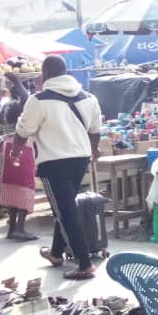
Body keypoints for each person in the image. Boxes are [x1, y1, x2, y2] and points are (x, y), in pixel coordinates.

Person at [14, 55, 103, 280]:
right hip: (80, 159)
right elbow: (95, 130)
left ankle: (84, 264)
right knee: (64, 208)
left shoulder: (38, 100)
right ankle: (55, 254)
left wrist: (15, 150)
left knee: (65, 212)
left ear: (46, 74)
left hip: (54, 162)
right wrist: (94, 151)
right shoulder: (89, 97)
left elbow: (24, 130)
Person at [0, 98, 37, 241]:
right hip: (20, 147)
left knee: (11, 187)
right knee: (25, 187)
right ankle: (20, 229)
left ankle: (11, 229)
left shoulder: (3, 110)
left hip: (2, 147)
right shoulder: (22, 115)